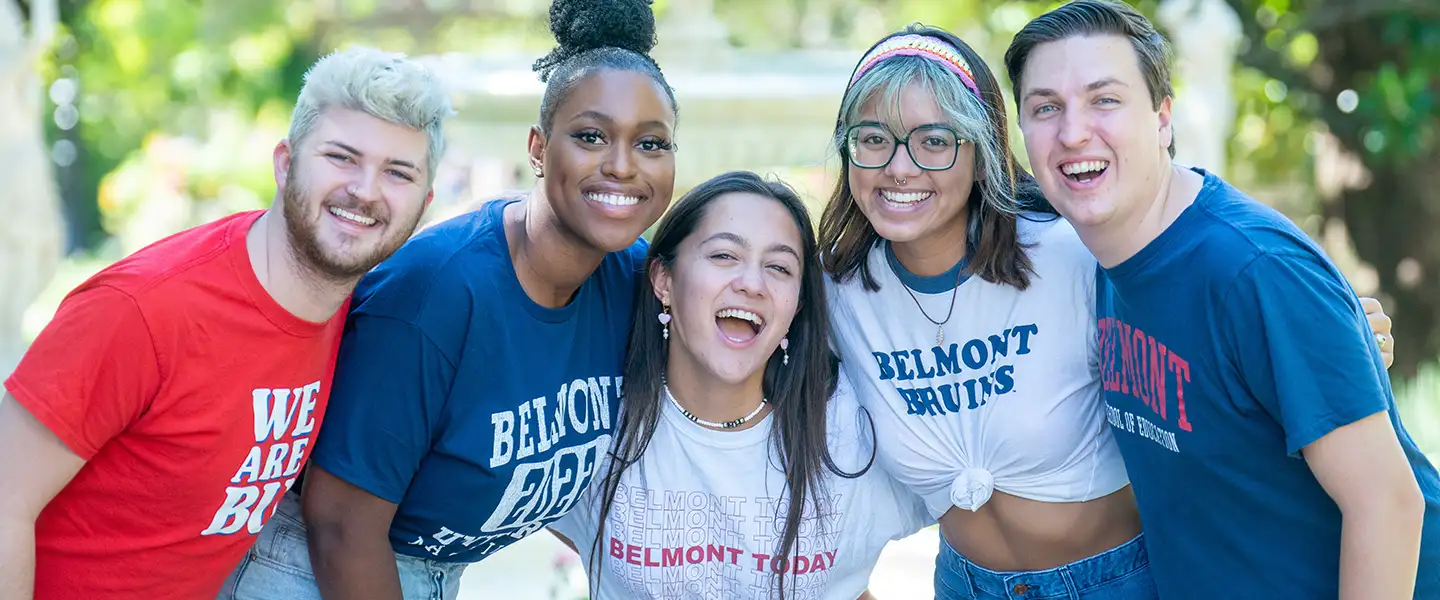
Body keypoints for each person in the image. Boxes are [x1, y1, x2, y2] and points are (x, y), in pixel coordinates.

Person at [818, 21, 1403, 600]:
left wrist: (1343, 329)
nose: (900, 166)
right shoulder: (834, 296)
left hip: (1117, 579)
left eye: (935, 142)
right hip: (965, 584)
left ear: (982, 149)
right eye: (874, 139)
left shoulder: (1074, 249)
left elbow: (1209, 301)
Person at [215, 1, 679, 599]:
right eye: (590, 136)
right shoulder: (437, 296)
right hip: (310, 572)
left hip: (430, 573)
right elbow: (339, 524)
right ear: (538, 149)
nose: (621, 166)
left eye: (651, 143)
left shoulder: (635, 280)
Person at [1003, 1, 1439, 599]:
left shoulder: (1253, 269)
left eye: (1105, 100)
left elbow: (1388, 501)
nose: (1073, 131)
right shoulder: (1094, 255)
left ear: (1162, 118)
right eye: (1046, 107)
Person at [0, 46, 453, 600]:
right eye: (341, 157)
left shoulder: (356, 312)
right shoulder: (144, 310)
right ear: (286, 164)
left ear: (424, 203)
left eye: (397, 172)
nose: (365, 189)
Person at [548, 171, 929, 600]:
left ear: (797, 305)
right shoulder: (593, 421)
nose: (752, 283)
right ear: (663, 280)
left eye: (779, 267)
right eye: (725, 256)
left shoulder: (853, 428)